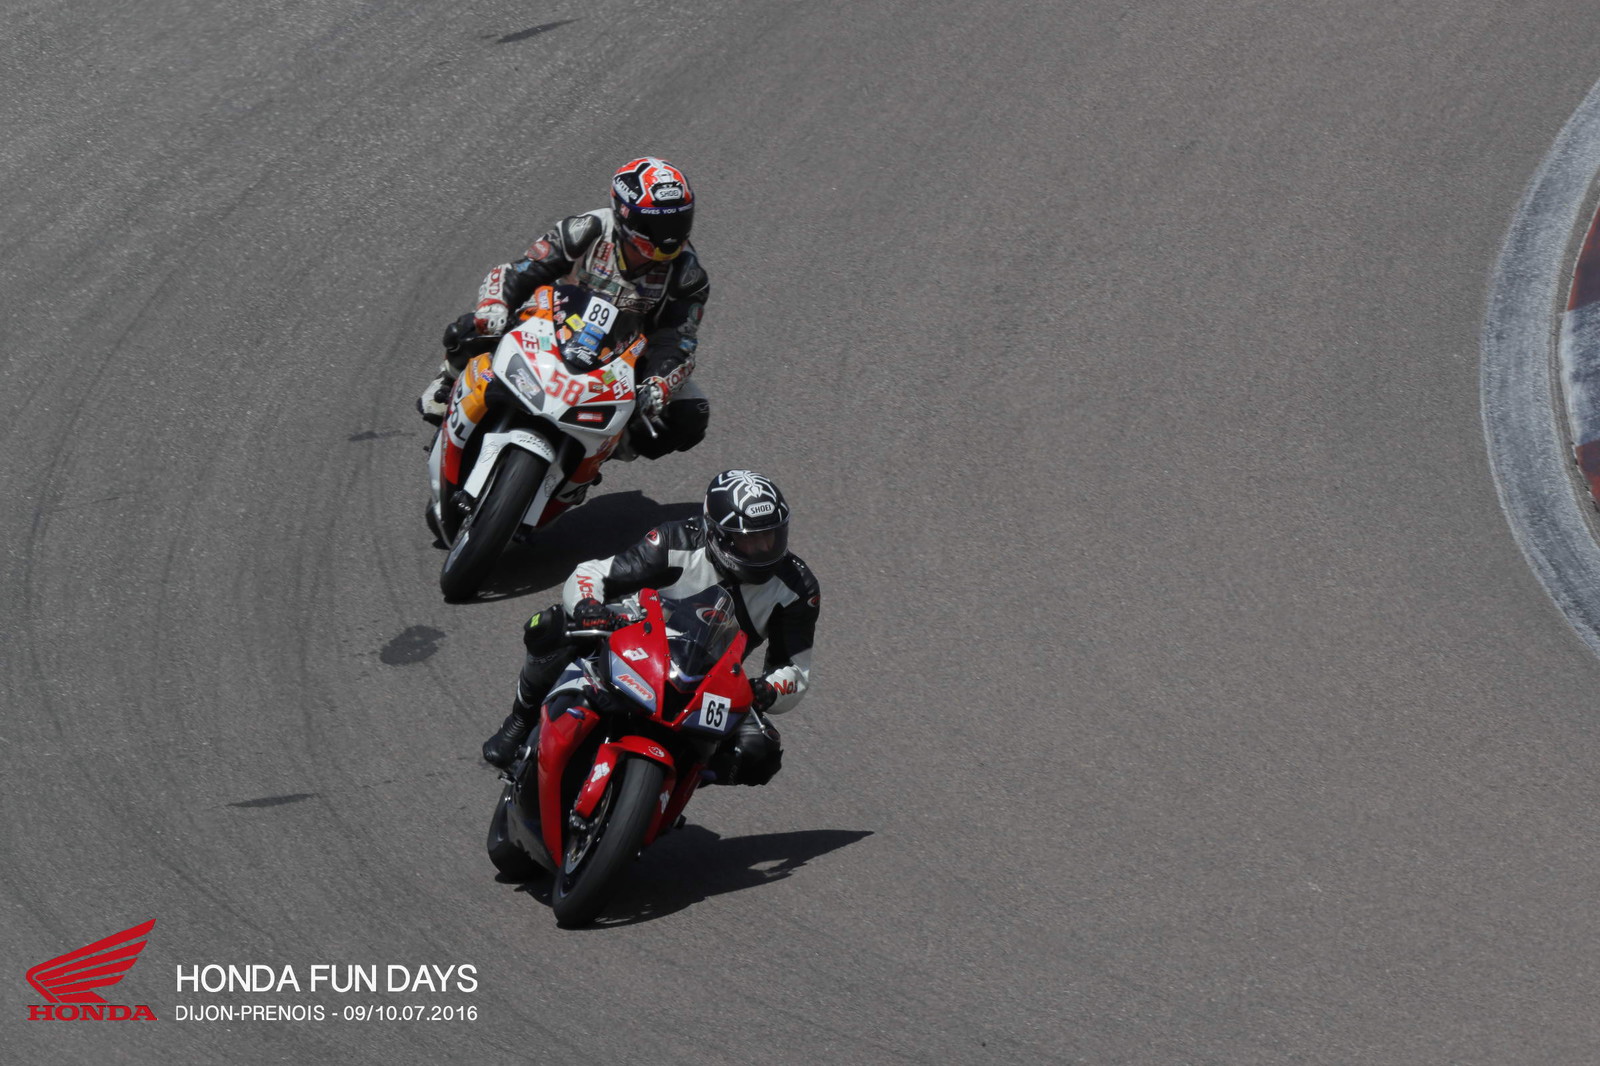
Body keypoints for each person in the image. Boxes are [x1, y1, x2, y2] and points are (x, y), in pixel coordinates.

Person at [481, 470, 820, 786]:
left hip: (706, 679)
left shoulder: (797, 587)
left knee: (761, 751)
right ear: (717, 533)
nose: (763, 550)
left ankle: (673, 787)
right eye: (750, 541)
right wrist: (588, 608)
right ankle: (520, 720)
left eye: (771, 537)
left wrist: (767, 690)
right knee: (550, 626)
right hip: (636, 641)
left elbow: (795, 669)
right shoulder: (675, 540)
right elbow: (595, 573)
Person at [418, 156, 710, 465]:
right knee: (470, 328)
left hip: (624, 358)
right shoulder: (587, 229)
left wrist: (658, 383)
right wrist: (495, 306)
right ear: (625, 216)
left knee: (690, 415)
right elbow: (524, 271)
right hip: (551, 323)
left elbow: (677, 341)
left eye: (678, 224)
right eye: (657, 226)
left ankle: (596, 450)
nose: (668, 238)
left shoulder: (687, 275)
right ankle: (448, 381)